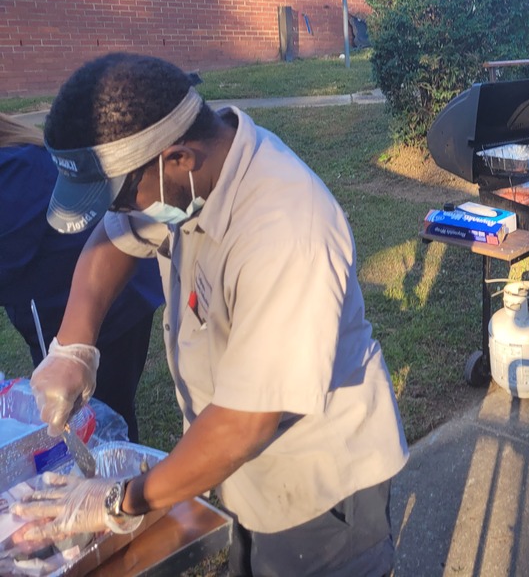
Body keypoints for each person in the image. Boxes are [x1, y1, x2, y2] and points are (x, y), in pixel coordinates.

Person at [12, 53, 408, 577]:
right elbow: (111, 242)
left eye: (124, 196)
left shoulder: (287, 230)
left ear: (178, 157)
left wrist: (117, 501)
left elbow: (244, 424)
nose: (120, 212)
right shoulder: (191, 181)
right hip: (243, 472)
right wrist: (72, 347)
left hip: (319, 489)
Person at [0, 114, 162, 442]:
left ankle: (122, 479)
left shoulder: (13, 171)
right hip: (67, 295)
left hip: (109, 295)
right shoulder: (18, 157)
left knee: (98, 412)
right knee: (63, 406)